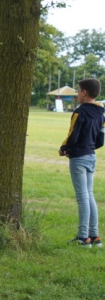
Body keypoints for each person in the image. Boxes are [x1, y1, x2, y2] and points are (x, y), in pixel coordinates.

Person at [59, 78, 105, 247]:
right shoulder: (101, 113)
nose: (77, 94)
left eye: (78, 91)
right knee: (89, 195)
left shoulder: (79, 112)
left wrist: (64, 148)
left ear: (85, 92)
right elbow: (100, 139)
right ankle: (95, 236)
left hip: (79, 157)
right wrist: (89, 147)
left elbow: (73, 134)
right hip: (91, 156)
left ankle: (83, 237)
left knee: (82, 197)